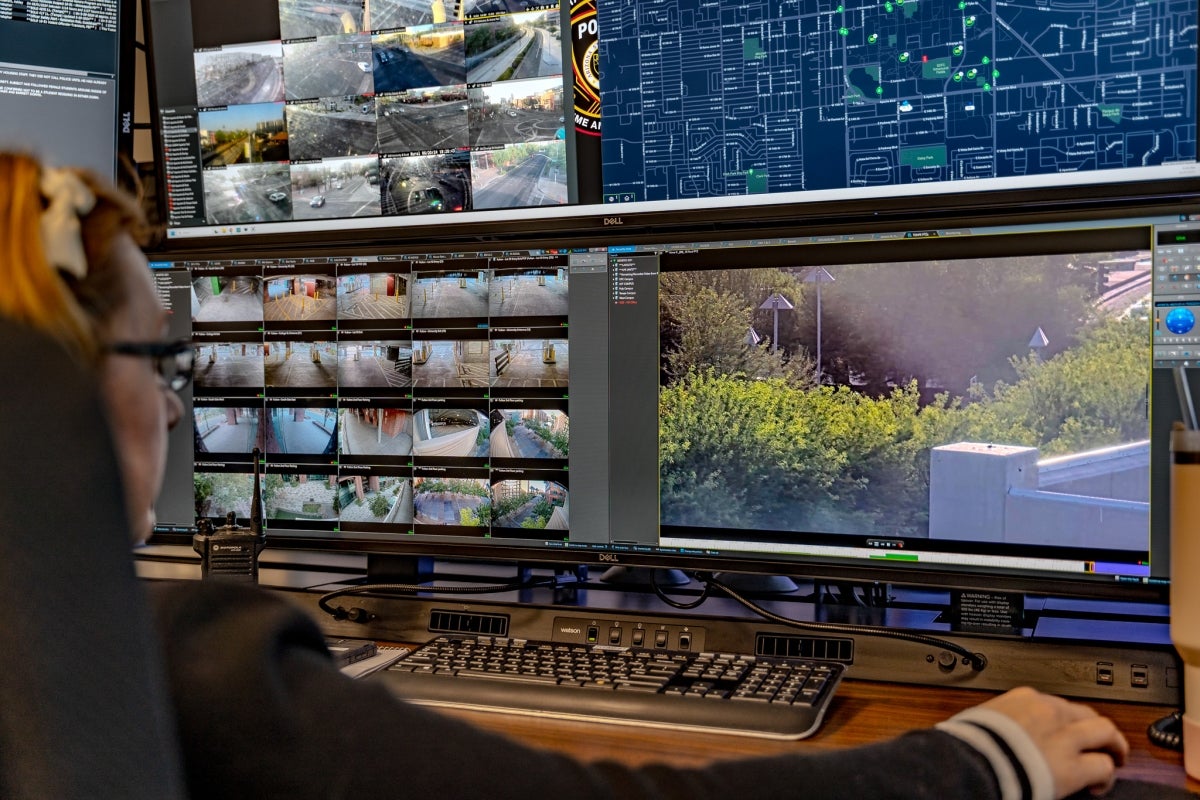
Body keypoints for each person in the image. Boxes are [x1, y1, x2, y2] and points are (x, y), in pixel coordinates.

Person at [0, 150, 1132, 800]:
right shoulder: (168, 664)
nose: (174, 399)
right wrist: (978, 760)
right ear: (47, 391)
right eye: (164, 358)